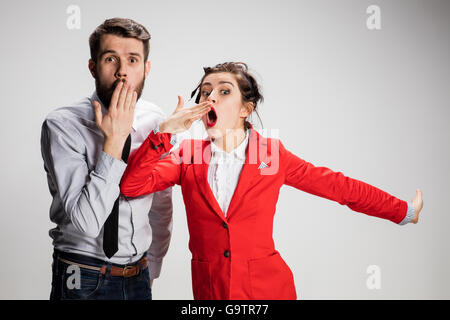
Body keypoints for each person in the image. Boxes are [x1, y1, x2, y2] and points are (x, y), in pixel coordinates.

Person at [119, 62, 424, 300]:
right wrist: (164, 133)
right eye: (205, 91)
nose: (210, 96)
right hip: (211, 292)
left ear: (245, 109)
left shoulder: (270, 156)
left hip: (267, 291)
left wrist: (403, 211)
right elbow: (132, 185)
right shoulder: (187, 155)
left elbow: (337, 186)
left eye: (224, 91)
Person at [40, 18, 174, 300]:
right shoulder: (63, 125)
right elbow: (86, 223)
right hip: (81, 274)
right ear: (93, 66)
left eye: (133, 60)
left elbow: (160, 206)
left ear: (146, 68)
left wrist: (154, 268)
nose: (123, 72)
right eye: (111, 59)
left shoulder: (156, 121)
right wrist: (114, 142)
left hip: (138, 274)